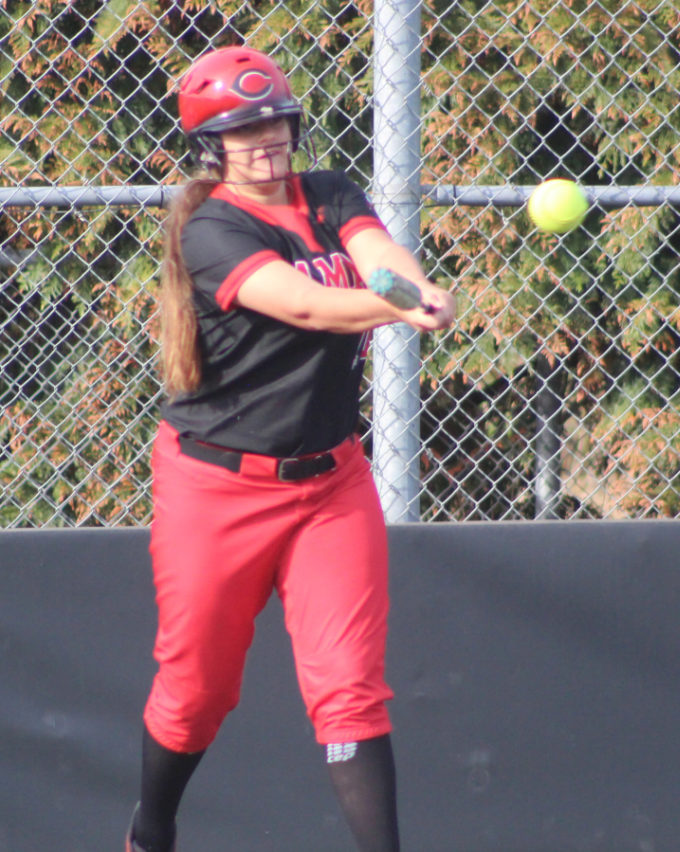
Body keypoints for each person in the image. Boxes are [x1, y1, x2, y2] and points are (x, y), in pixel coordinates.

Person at [126, 45, 455, 852]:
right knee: (196, 691)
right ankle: (150, 830)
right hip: (217, 488)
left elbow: (379, 254)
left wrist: (410, 289)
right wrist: (398, 313)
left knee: (350, 691)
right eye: (242, 130)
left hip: (330, 484)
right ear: (212, 147)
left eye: (273, 121)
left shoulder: (330, 192)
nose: (264, 139)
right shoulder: (212, 229)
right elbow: (305, 305)